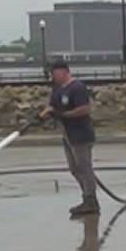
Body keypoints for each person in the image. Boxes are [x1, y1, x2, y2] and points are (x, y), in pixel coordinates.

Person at [40, 60, 99, 217]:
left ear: (64, 71)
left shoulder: (77, 87)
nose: (53, 75)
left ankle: (91, 200)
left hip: (81, 135)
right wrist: (43, 115)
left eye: (55, 72)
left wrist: (65, 115)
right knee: (74, 169)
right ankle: (87, 197)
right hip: (68, 136)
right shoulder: (58, 90)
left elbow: (85, 109)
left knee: (84, 168)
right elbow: (52, 106)